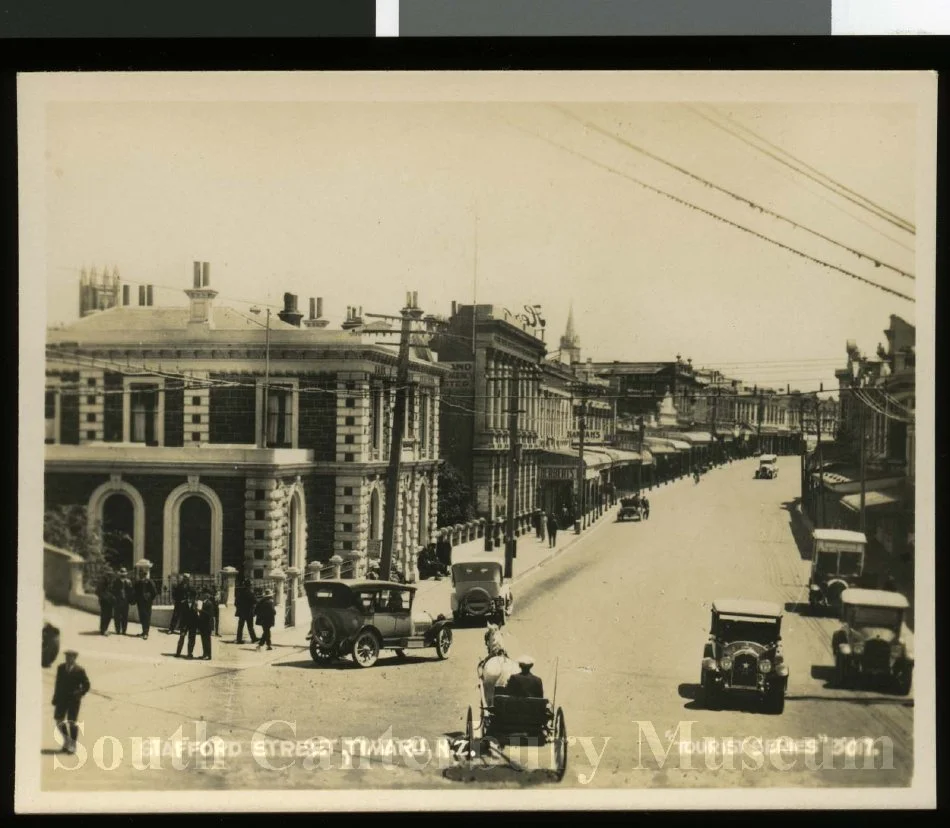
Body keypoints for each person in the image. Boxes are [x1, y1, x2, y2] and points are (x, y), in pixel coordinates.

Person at [52, 649, 90, 754]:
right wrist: (55, 697)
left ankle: (72, 745)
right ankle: (67, 741)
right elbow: (58, 683)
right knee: (59, 721)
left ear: (75, 658)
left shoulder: (80, 670)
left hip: (74, 701)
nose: (68, 659)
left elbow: (86, 685)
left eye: (70, 657)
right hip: (62, 699)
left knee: (71, 722)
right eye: (67, 657)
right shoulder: (61, 668)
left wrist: (79, 693)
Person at [133, 568, 159, 639]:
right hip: (140, 603)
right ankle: (143, 631)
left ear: (145, 575)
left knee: (147, 617)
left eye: (143, 574)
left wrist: (149, 599)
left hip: (147, 603)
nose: (141, 576)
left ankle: (146, 633)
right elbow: (135, 592)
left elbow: (154, 592)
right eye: (140, 574)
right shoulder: (138, 583)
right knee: (142, 617)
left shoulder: (150, 582)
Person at [175, 592, 199, 659]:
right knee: (181, 638)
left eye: (192, 598)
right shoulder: (183, 603)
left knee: (191, 639)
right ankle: (178, 652)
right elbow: (180, 615)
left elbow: (197, 615)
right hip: (184, 624)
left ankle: (190, 653)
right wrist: (180, 625)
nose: (191, 599)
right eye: (190, 597)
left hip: (193, 624)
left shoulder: (196, 604)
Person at [234, 578, 258, 644]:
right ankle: (254, 638)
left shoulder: (240, 593)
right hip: (249, 612)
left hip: (241, 613)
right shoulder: (251, 593)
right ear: (249, 585)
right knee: (250, 626)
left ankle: (239, 639)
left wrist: (240, 608)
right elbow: (255, 602)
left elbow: (236, 603)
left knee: (240, 626)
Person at [111, 568, 134, 635]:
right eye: (122, 574)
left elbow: (130, 592)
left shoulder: (129, 582)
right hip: (117, 601)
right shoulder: (116, 581)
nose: (123, 575)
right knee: (117, 616)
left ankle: (124, 630)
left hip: (125, 602)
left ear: (126, 574)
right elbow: (112, 591)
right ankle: (118, 630)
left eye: (124, 574)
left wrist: (131, 600)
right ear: (120, 574)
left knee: (125, 616)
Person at [196, 589, 215, 660]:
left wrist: (201, 611)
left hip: (207, 625)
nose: (201, 595)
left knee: (207, 640)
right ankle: (205, 654)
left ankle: (208, 655)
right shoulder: (204, 603)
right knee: (204, 640)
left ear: (206, 595)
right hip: (203, 625)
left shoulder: (209, 603)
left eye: (203, 594)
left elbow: (209, 615)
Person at [95, 571, 115, 636]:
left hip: (110, 601)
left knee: (109, 615)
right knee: (105, 615)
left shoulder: (111, 581)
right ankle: (103, 630)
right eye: (109, 574)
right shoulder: (102, 581)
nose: (110, 576)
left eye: (111, 575)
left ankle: (104, 629)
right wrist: (105, 597)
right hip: (104, 601)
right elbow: (97, 591)